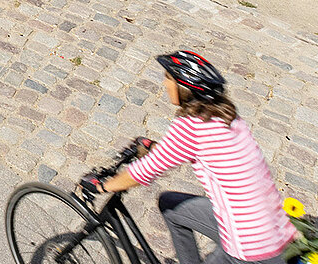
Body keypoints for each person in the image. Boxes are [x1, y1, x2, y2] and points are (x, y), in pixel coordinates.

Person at [92, 51, 297, 264]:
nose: (164, 84)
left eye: (168, 78)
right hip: (277, 228)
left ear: (183, 87)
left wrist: (103, 186)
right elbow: (188, 150)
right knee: (169, 203)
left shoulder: (191, 127)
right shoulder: (227, 115)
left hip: (250, 247)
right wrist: (155, 148)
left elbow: (144, 172)